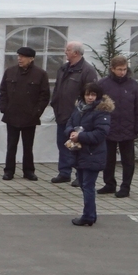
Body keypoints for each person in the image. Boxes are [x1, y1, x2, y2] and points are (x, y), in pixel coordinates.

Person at [49, 41, 99, 184]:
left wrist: (83, 111)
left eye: (68, 50)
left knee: (78, 146)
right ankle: (64, 172)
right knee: (63, 143)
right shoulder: (63, 68)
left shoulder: (87, 70)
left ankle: (80, 175)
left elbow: (91, 94)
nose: (65, 52)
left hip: (78, 116)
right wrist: (54, 103)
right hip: (62, 113)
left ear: (76, 53)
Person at [95, 55, 138, 198]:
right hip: (109, 126)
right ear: (112, 69)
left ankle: (125, 186)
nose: (122, 72)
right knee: (108, 158)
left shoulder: (132, 85)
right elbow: (96, 105)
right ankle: (109, 183)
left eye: (124, 69)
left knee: (128, 160)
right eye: (119, 69)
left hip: (128, 128)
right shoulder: (103, 84)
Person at [0, 46, 50, 181]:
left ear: (31, 59)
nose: (19, 59)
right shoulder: (10, 72)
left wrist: (37, 112)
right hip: (12, 114)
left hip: (30, 115)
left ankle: (29, 171)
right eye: (18, 56)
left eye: (23, 57)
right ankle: (9, 170)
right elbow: (3, 91)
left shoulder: (40, 74)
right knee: (11, 145)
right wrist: (4, 107)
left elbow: (44, 96)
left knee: (28, 146)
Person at [64, 84, 114, 227]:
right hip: (80, 153)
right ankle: (91, 213)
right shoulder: (79, 109)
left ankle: (88, 216)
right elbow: (68, 124)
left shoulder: (102, 112)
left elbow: (100, 134)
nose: (90, 97)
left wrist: (81, 136)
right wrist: (71, 133)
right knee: (83, 184)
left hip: (93, 153)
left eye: (93, 94)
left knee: (88, 185)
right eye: (87, 94)